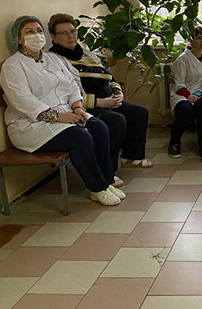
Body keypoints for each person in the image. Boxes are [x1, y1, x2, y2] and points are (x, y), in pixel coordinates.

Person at [0, 16, 125, 206]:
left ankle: (107, 181)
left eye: (39, 30)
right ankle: (97, 189)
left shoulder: (53, 59)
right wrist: (59, 116)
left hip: (68, 114)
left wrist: (77, 107)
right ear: (18, 39)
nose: (36, 35)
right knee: (80, 138)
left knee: (99, 127)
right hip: (31, 126)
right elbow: (22, 100)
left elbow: (72, 86)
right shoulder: (12, 65)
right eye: (29, 32)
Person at [48, 14, 153, 174]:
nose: (70, 36)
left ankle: (131, 157)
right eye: (64, 33)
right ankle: (107, 171)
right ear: (53, 37)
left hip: (109, 100)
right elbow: (66, 94)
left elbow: (108, 75)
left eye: (73, 31)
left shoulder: (87, 54)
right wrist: (100, 102)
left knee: (140, 112)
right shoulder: (54, 60)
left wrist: (118, 92)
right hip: (85, 106)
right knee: (117, 121)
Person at [167, 25, 202, 163]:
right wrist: (188, 96)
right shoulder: (182, 60)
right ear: (191, 40)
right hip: (182, 93)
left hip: (201, 91)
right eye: (199, 38)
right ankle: (174, 143)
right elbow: (178, 83)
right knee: (185, 110)